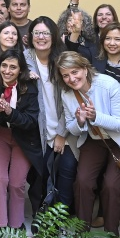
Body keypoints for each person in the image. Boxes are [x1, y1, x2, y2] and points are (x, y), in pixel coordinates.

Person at [57, 51, 120, 236]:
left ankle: (111, 236)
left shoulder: (108, 84)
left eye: (75, 72)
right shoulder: (67, 93)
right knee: (82, 182)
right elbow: (72, 128)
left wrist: (96, 117)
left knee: (112, 185)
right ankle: (82, 232)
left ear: (85, 69)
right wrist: (79, 121)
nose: (71, 79)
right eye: (65, 75)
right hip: (94, 139)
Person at [0, 49, 41, 238]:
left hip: (23, 137)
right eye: (4, 66)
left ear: (20, 70)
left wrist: (10, 112)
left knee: (17, 183)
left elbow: (31, 121)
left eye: (13, 67)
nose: (7, 71)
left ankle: (16, 222)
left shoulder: (30, 88)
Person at [24, 17, 77, 212]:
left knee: (66, 173)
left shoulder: (63, 61)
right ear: (31, 36)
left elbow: (70, 102)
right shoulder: (25, 58)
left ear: (53, 36)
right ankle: (43, 216)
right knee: (41, 177)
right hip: (39, 131)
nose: (41, 37)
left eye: (45, 33)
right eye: (37, 33)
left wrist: (61, 134)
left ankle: (61, 216)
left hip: (67, 128)